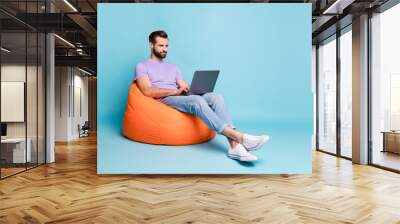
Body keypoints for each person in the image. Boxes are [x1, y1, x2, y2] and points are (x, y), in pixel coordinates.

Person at [134, 30, 270, 162]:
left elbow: (183, 84)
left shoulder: (172, 66)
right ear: (151, 45)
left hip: (179, 95)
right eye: (161, 45)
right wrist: (174, 92)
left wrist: (191, 88)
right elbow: (147, 90)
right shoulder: (142, 66)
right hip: (165, 99)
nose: (165, 49)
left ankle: (234, 147)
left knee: (216, 97)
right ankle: (240, 137)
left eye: (166, 46)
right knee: (197, 101)